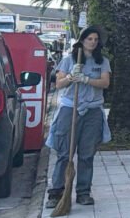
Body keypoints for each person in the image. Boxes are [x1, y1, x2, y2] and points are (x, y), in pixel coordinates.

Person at [45, 26, 112, 208]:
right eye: (89, 39)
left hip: (92, 111)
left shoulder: (102, 62)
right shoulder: (69, 60)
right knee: (64, 153)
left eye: (96, 39)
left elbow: (105, 83)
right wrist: (70, 77)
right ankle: (56, 193)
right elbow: (59, 84)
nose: (93, 42)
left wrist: (86, 79)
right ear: (82, 41)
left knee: (87, 154)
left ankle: (83, 192)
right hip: (70, 110)